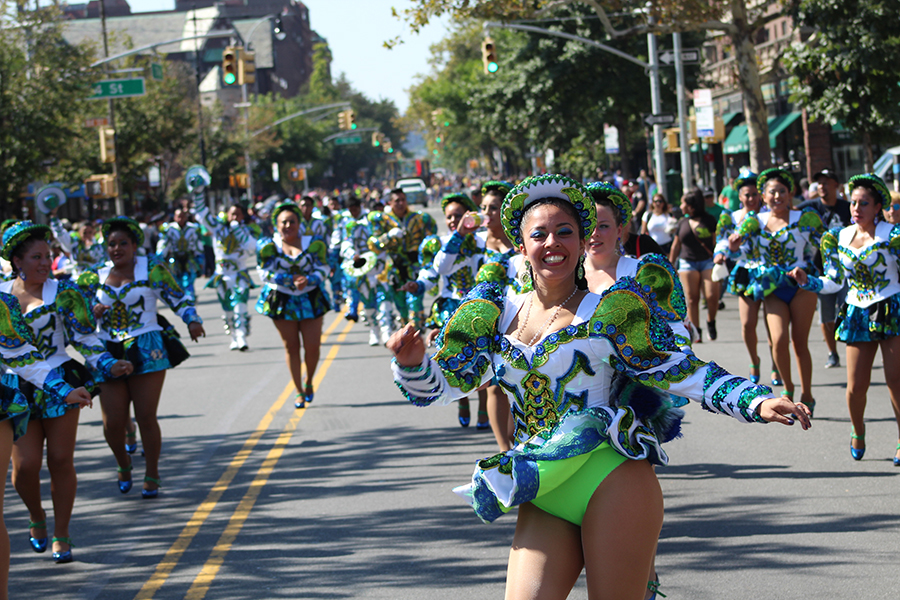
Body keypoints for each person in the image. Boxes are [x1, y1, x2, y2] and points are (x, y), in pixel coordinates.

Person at [389, 174, 810, 600]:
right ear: (522, 245)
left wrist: (755, 400)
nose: (552, 242)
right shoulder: (494, 315)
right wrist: (412, 364)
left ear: (581, 240)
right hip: (546, 484)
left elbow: (683, 370)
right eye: (539, 234)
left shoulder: (609, 313)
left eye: (565, 232)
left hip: (613, 479)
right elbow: (439, 387)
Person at [0, 221, 126, 563]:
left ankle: (62, 532)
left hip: (61, 383)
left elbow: (85, 338)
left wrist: (107, 363)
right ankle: (36, 518)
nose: (45, 263)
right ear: (17, 262)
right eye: (37, 257)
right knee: (24, 467)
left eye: (49, 256)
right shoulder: (1, 298)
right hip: (16, 389)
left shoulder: (65, 294)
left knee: (59, 460)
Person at [86, 217, 205, 499]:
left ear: (135, 245)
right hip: (108, 350)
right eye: (111, 244)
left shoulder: (151, 268)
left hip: (147, 344)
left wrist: (192, 319)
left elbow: (179, 296)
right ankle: (123, 464)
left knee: (145, 416)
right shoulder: (92, 276)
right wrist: (92, 311)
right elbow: (76, 315)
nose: (116, 248)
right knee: (112, 422)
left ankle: (152, 473)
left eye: (122, 243)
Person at [789, 174, 900, 465]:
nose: (856, 208)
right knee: (855, 386)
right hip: (858, 310)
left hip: (891, 308)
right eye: (853, 202)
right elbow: (833, 281)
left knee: (896, 380)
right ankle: (858, 429)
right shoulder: (837, 238)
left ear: (878, 207)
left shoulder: (893, 235)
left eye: (864, 203)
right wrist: (807, 281)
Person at [729, 168, 825, 414]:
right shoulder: (755, 222)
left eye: (782, 191)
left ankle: (807, 392)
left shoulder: (804, 218)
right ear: (764, 195)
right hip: (772, 287)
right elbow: (736, 246)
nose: (778, 196)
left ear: (791, 192)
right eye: (772, 192)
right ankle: (788, 389)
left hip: (801, 286)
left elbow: (827, 244)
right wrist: (731, 245)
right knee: (779, 340)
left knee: (799, 343)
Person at [405, 193, 490, 431]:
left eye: (459, 215)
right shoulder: (439, 243)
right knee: (456, 360)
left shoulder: (484, 241)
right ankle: (462, 401)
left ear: (471, 215)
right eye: (449, 217)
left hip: (480, 308)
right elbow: (435, 271)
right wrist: (418, 286)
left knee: (481, 358)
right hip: (450, 309)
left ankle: (484, 404)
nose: (453, 220)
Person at [256, 202, 330, 409]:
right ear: (276, 225)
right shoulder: (268, 246)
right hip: (282, 299)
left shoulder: (313, 242)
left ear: (299, 223)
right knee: (291, 347)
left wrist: (310, 279)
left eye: (292, 222)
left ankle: (309, 381)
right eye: (283, 222)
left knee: (313, 346)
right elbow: (263, 272)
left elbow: (324, 266)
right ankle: (298, 390)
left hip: (310, 298)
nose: (288, 225)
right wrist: (289, 280)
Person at [714, 171, 781, 386]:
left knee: (773, 325)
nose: (751, 199)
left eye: (754, 194)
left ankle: (777, 364)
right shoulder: (731, 217)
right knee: (747, 324)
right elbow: (722, 241)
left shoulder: (768, 216)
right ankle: (754, 361)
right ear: (740, 196)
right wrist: (720, 253)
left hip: (769, 273)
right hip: (745, 271)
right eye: (746, 195)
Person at [798, 168, 852, 370]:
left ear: (836, 186)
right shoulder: (809, 207)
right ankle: (833, 353)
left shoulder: (848, 208)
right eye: (819, 183)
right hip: (819, 270)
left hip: (846, 271)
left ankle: (853, 350)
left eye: (827, 182)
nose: (822, 186)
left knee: (845, 312)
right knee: (826, 316)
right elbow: (789, 212)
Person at [192, 188, 257, 351]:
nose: (234, 217)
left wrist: (238, 229)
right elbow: (202, 214)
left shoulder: (247, 230)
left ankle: (242, 335)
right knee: (227, 307)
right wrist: (198, 192)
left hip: (239, 273)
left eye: (238, 214)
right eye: (232, 214)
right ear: (227, 215)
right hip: (221, 274)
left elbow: (252, 247)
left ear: (243, 216)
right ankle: (233, 336)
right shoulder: (218, 228)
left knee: (240, 304)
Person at [669, 189, 720, 341]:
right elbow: (676, 245)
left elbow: (716, 242)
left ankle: (711, 321)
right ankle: (696, 331)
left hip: (707, 261)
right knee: (692, 298)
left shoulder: (709, 220)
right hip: (687, 262)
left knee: (711, 296)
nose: (681, 205)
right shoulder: (682, 222)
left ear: (692, 206)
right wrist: (670, 264)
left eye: (684, 203)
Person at [156, 208, 205, 301]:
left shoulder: (193, 228)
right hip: (175, 258)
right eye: (178, 217)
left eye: (182, 217)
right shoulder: (169, 229)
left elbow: (198, 244)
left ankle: (190, 299)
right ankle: (181, 300)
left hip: (189, 257)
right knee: (176, 280)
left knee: (189, 280)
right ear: (174, 217)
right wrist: (160, 257)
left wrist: (200, 258)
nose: (180, 219)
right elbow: (163, 243)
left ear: (186, 217)